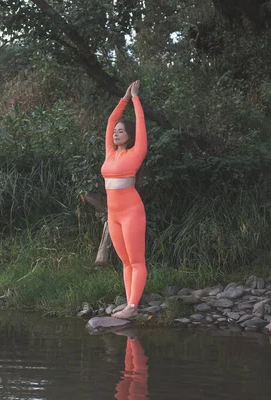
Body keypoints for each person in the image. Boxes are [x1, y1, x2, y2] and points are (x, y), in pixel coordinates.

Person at [101, 80, 147, 320]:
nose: (116, 131)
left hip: (131, 211)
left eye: (121, 130)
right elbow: (109, 122)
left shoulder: (136, 152)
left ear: (129, 135)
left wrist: (136, 99)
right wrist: (123, 99)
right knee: (125, 262)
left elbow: (140, 124)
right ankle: (129, 304)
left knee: (136, 260)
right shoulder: (110, 153)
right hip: (114, 214)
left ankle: (132, 306)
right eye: (116, 130)